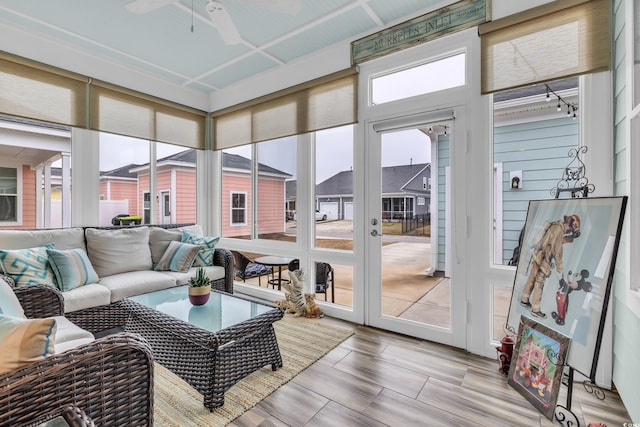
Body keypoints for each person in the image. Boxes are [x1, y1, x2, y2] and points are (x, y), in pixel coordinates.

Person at [520, 214, 581, 319]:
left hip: (538, 254)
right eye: (570, 230)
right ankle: (535, 310)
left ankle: (524, 300)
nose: (568, 231)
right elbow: (556, 249)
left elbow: (558, 240)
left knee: (532, 277)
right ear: (570, 226)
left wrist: (571, 238)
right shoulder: (559, 229)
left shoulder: (555, 225)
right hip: (544, 259)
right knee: (539, 283)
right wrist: (560, 267)